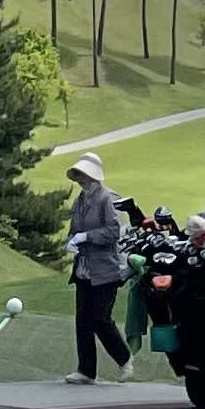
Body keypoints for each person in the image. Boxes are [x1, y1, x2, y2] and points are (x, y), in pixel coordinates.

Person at [63, 153, 132, 383]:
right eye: (77, 174)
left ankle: (124, 358)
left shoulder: (107, 199)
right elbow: (74, 231)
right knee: (83, 321)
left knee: (101, 319)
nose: (79, 178)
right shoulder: (80, 201)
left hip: (105, 269)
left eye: (82, 174)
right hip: (84, 269)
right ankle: (86, 371)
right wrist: (71, 241)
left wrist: (85, 237)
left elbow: (113, 232)